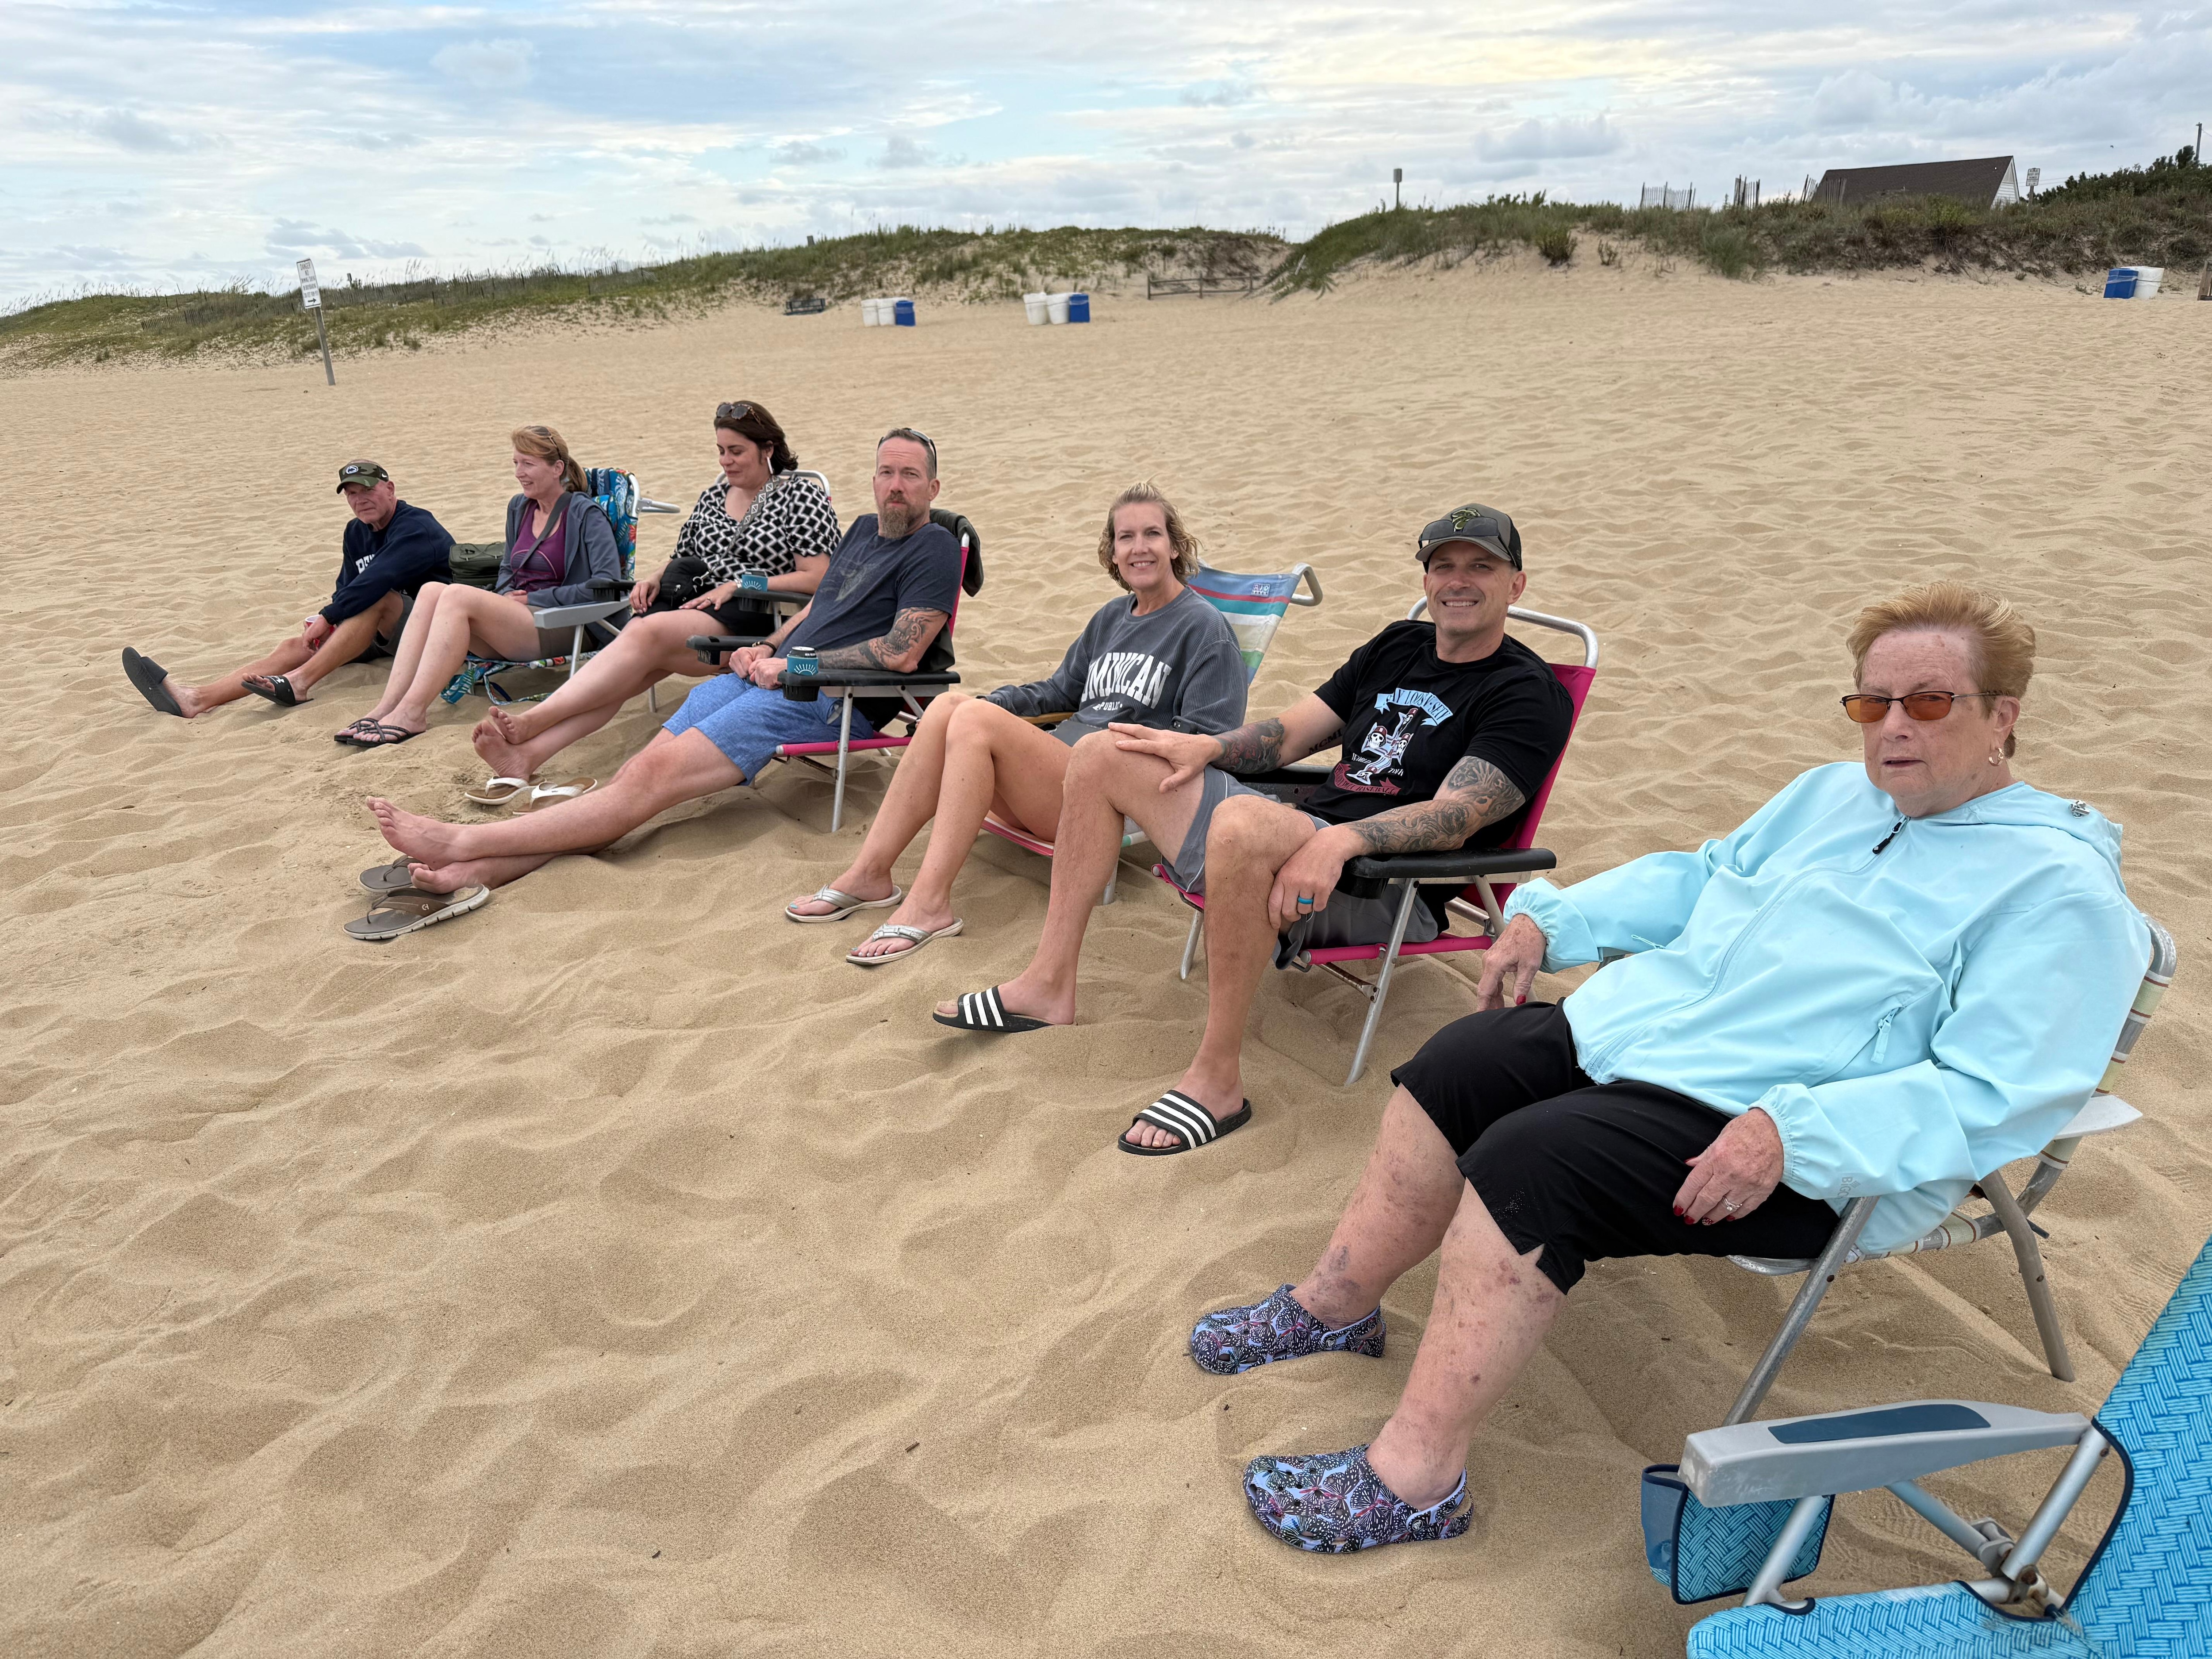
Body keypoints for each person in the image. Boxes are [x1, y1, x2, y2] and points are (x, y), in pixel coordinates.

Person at [1191, 581, 2150, 1554]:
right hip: (1663, 1042)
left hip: (1802, 1137)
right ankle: (1335, 1308)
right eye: (1872, 703)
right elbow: (1702, 878)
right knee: (1457, 1065)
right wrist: (1549, 918)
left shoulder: (2056, 889)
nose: (1891, 727)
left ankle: (1415, 1480)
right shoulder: (1832, 798)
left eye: (1929, 702)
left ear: (2002, 717)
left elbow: (2001, 1089)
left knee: (1534, 1164)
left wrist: (1796, 1131)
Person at [933, 503, 1575, 1156]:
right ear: (1428, 579)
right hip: (1300, 837)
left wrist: (1338, 840)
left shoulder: (1525, 691)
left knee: (1240, 819)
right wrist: (1207, 751)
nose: (1459, 581)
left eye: (1481, 567)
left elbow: (1458, 813)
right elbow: (1290, 733)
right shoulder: (1396, 646)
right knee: (1103, 752)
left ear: (1515, 584)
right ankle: (1048, 984)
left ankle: (1217, 1081)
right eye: (1444, 566)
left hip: (1379, 886)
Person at [361, 429, 960, 895]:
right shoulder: (861, 531)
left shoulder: (933, 546)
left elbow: (902, 651)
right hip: (770, 680)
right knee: (633, 778)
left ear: (933, 487)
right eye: (886, 472)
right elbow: (818, 610)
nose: (896, 485)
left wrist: (796, 669)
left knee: (647, 782)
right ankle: (489, 869)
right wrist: (769, 647)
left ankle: (464, 843)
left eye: (910, 474)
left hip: (827, 701)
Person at [787, 482, 1248, 966]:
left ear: (1174, 545)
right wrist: (991, 702)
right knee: (949, 709)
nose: (1139, 547)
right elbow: (1059, 693)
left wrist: (1119, 758)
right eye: (1125, 536)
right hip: (1049, 780)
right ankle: (869, 874)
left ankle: (928, 905)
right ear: (1112, 552)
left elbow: (1204, 744)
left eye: (1151, 534)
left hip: (1103, 798)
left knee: (975, 722)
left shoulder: (1203, 629)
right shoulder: (1112, 617)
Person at [468, 400, 840, 797]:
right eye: (720, 451)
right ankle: (526, 758)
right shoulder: (715, 495)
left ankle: (534, 721)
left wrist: (744, 584)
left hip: (754, 616)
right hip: (691, 602)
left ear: (768, 449)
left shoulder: (800, 494)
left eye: (736, 452)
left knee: (643, 635)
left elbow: (820, 577)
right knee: (628, 671)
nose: (726, 461)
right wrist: (656, 576)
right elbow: (683, 555)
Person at [334, 425, 622, 748]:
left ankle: (413, 713)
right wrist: (503, 595)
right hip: (518, 621)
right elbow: (507, 568)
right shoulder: (520, 508)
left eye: (528, 464)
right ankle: (387, 708)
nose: (519, 473)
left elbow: (607, 586)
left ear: (557, 469)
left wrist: (535, 597)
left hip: (562, 623)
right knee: (432, 590)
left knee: (456, 595)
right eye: (516, 463)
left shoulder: (585, 514)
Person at [120, 461, 452, 718]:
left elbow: (378, 579)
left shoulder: (415, 527)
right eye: (352, 493)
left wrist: (330, 615)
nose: (360, 499)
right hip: (381, 632)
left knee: (378, 597)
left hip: (435, 631)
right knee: (298, 644)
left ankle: (299, 683)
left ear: (390, 488)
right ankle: (196, 699)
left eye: (368, 490)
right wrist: (329, 620)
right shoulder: (356, 532)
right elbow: (346, 588)